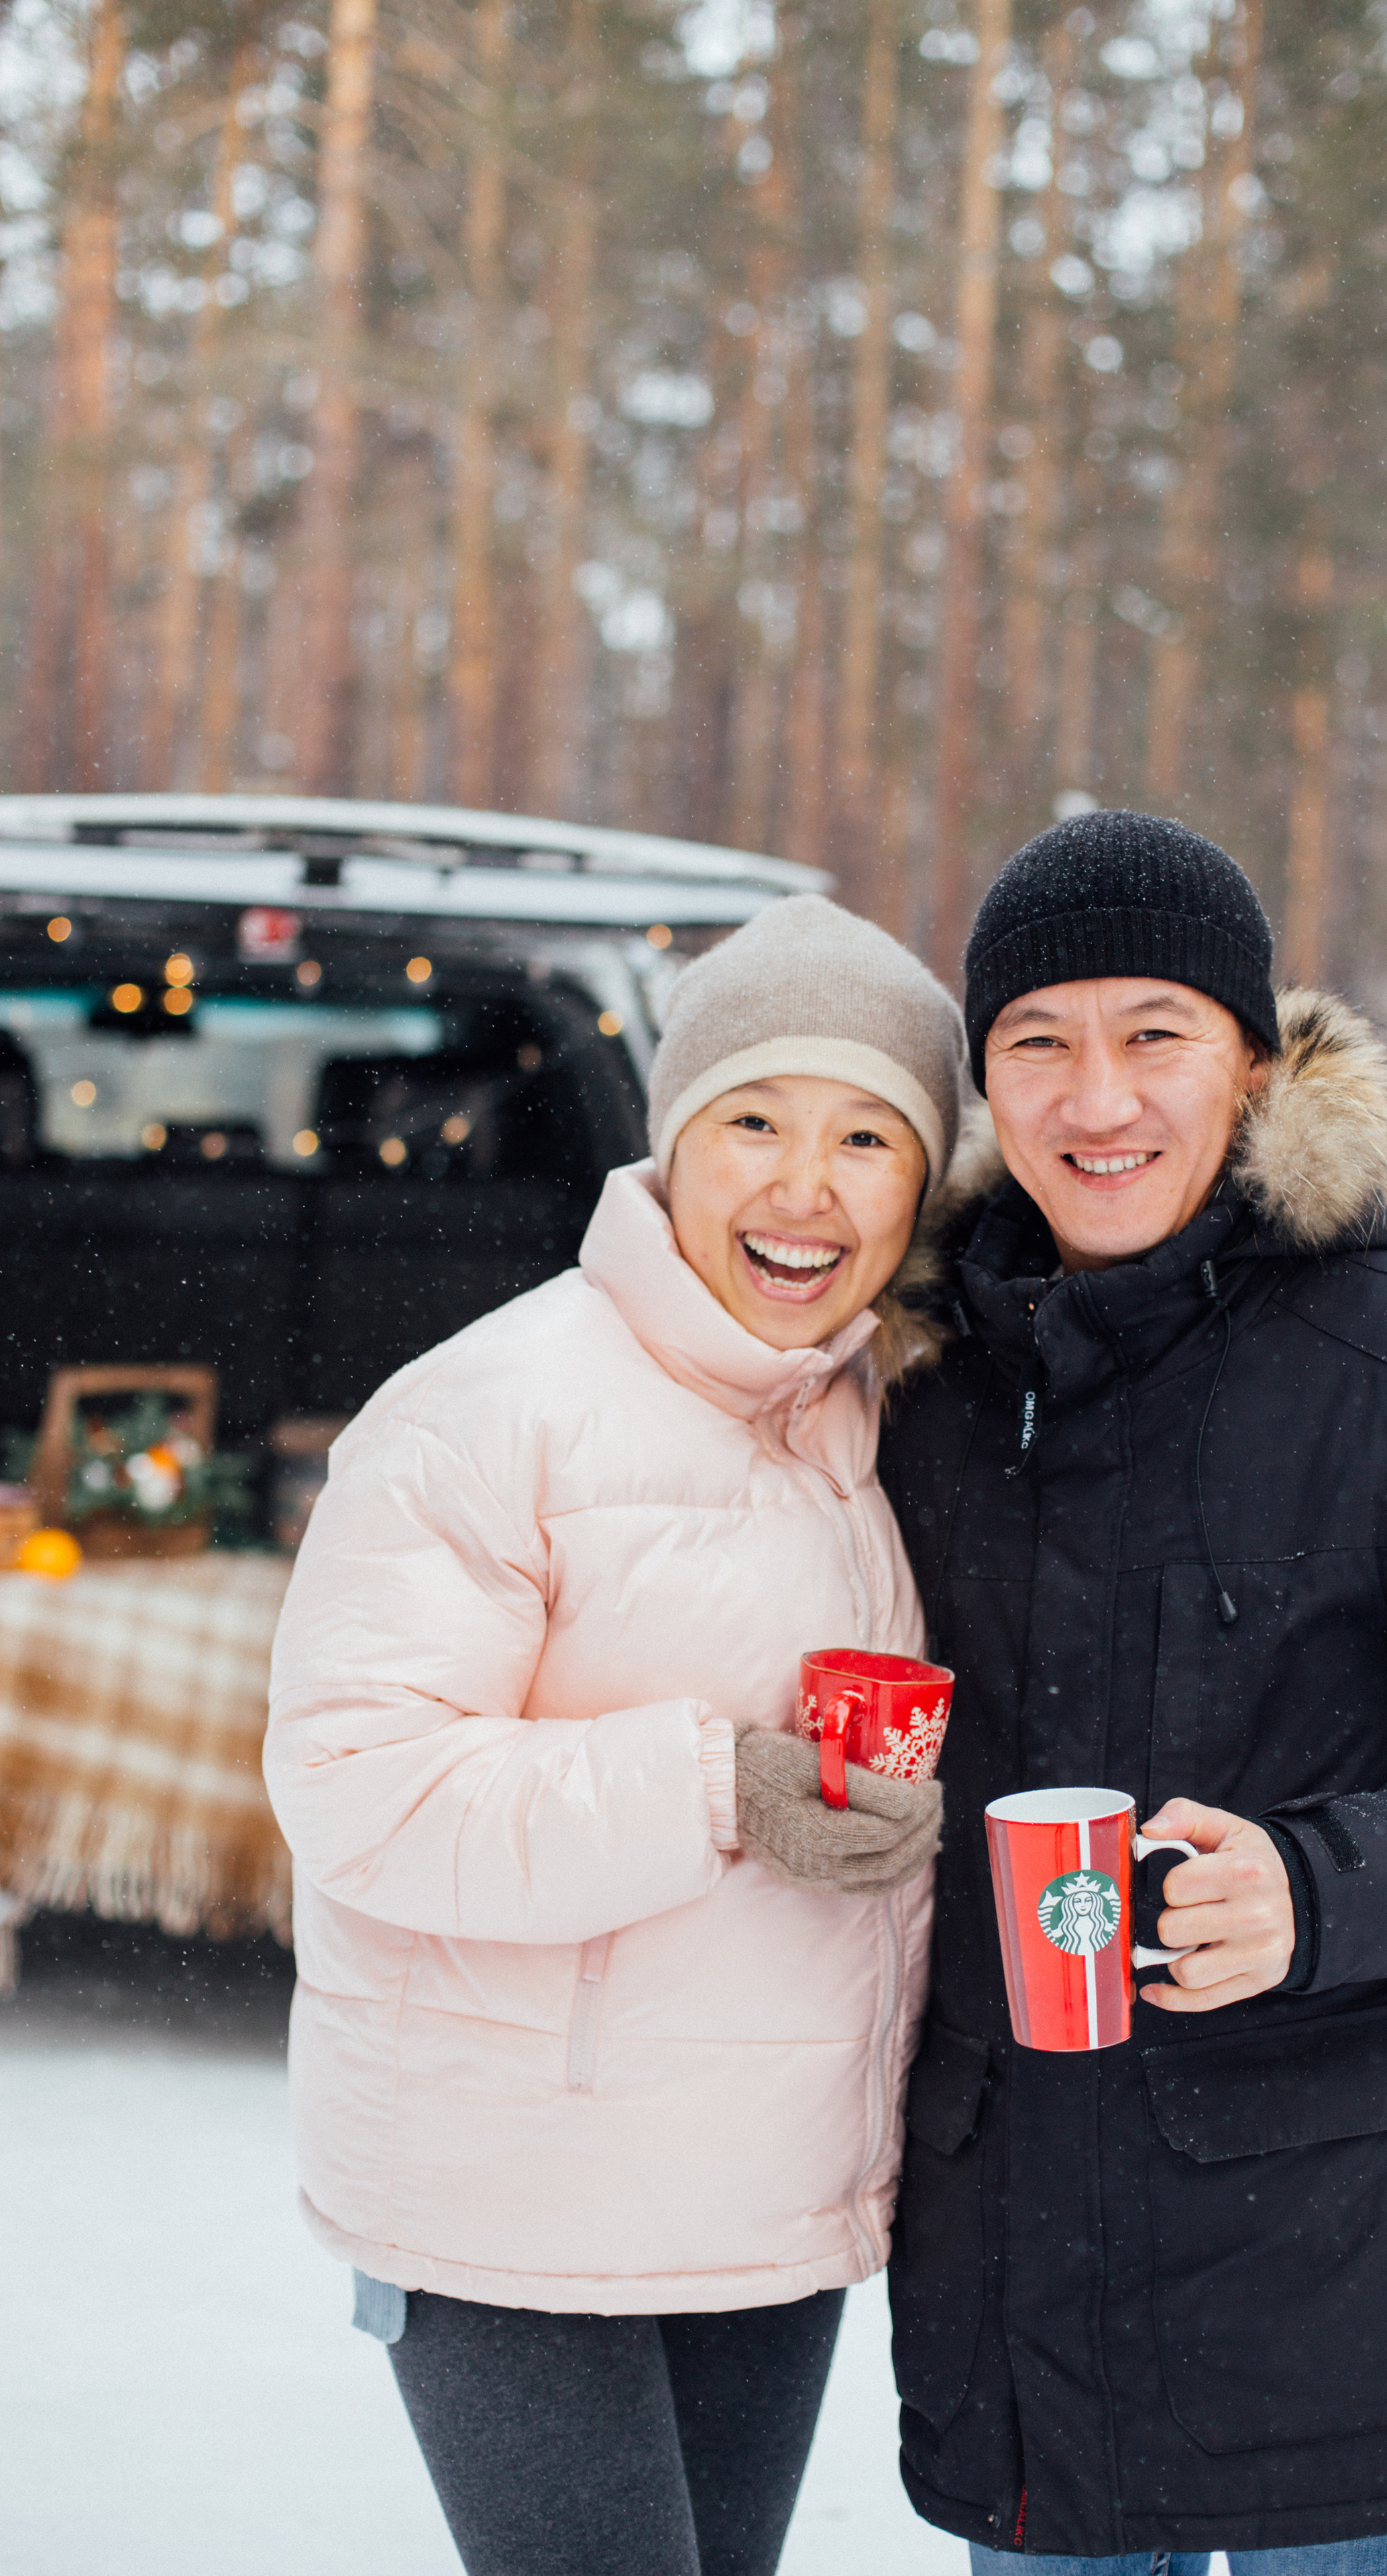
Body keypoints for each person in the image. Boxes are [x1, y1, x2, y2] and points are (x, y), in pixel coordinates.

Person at [877, 811, 1387, 2575]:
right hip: (1027, 2327)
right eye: (1040, 1042)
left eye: (1153, 1034)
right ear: (987, 1085)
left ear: (1252, 1061)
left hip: (1346, 2314)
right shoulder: (932, 1394)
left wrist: (1319, 1890)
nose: (1098, 1101)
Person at [265, 895, 963, 2576]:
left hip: (766, 2200)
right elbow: (357, 1783)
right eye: (755, 1124)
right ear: (669, 1147)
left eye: (868, 1136)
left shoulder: (881, 1419)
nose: (805, 1191)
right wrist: (717, 1781)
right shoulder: (487, 1408)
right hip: (516, 2202)